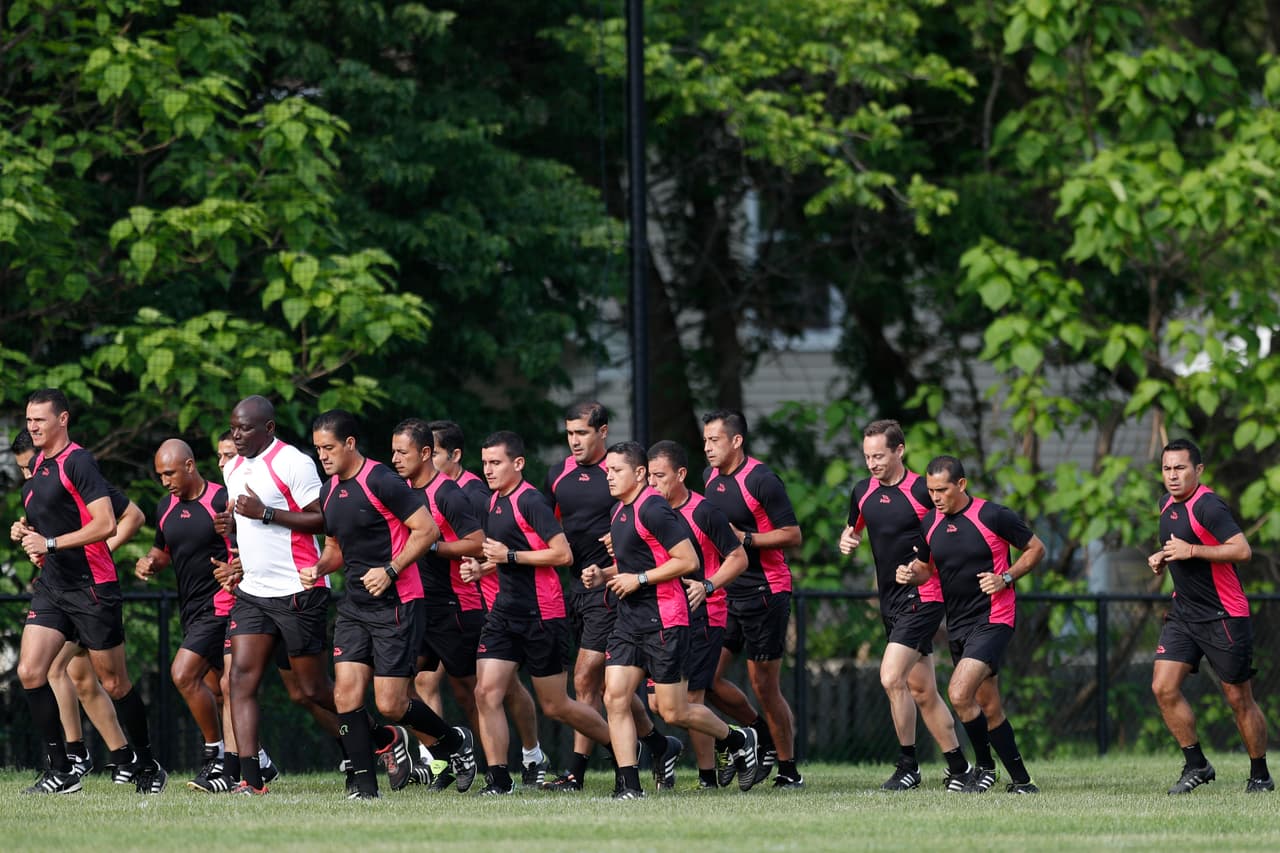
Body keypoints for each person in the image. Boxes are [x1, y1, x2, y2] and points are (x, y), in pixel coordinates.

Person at [302, 410, 475, 800]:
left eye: (328, 448)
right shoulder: (330, 490)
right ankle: (365, 788)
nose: (323, 456)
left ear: (350, 444)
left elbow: (426, 530)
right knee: (345, 695)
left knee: (391, 703)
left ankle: (454, 743)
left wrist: (391, 570)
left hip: (398, 602)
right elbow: (334, 549)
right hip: (355, 605)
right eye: (317, 449)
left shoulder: (381, 480)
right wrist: (318, 568)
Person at [12, 389, 166, 794]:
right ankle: (62, 769)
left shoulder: (78, 462)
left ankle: (146, 764)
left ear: (62, 419)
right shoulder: (36, 474)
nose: (32, 427)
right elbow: (51, 529)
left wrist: (49, 544)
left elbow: (106, 524)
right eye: (29, 420)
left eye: (40, 420)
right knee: (30, 671)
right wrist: (28, 534)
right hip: (53, 587)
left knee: (114, 683)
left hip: (93, 587)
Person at [596, 441, 759, 799]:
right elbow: (636, 562)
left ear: (639, 474)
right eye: (607, 470)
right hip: (629, 621)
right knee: (615, 697)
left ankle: (738, 738)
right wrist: (606, 575)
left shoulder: (653, 508)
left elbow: (687, 561)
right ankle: (629, 785)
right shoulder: (619, 511)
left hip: (665, 619)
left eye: (616, 470)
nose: (608, 476)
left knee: (674, 710)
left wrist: (638, 580)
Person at [465, 430, 616, 796]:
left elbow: (562, 555)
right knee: (485, 692)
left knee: (556, 705)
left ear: (517, 464)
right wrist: (483, 566)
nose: (488, 470)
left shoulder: (531, 500)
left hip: (542, 614)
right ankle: (499, 779)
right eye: (485, 463)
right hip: (505, 612)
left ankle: (626, 746)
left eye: (496, 462)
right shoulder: (492, 503)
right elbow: (502, 552)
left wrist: (509, 557)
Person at [541, 402, 673, 792]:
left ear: (602, 431)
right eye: (569, 434)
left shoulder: (619, 474)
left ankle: (578, 774)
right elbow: (545, 528)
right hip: (576, 588)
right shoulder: (557, 474)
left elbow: (648, 516)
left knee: (585, 679)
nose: (575, 441)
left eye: (582, 433)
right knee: (610, 687)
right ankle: (657, 744)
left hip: (614, 588)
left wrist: (622, 545)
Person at [838, 420, 971, 791]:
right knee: (924, 691)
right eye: (867, 456)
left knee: (890, 677)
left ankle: (907, 766)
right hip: (890, 601)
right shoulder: (862, 491)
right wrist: (847, 540)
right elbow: (854, 528)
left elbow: (953, 527)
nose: (872, 463)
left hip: (925, 597)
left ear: (900, 451)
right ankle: (960, 769)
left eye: (879, 455)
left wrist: (929, 568)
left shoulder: (920, 489)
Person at [219, 395, 341, 795]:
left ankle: (378, 739)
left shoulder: (294, 462)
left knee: (312, 690)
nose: (237, 435)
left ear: (268, 429)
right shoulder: (233, 467)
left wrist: (265, 513)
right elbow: (248, 528)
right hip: (253, 593)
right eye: (234, 427)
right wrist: (232, 526)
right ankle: (250, 780)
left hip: (298, 590)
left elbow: (322, 518)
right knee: (239, 680)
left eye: (245, 428)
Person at [902, 455, 1044, 794]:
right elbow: (925, 569)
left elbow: (1035, 549)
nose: (935, 497)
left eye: (942, 490)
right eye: (931, 490)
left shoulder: (992, 515)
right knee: (989, 705)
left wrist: (1006, 577)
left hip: (995, 618)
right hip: (959, 624)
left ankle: (983, 769)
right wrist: (910, 574)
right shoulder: (930, 523)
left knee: (958, 692)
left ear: (961, 485)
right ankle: (1022, 781)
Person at [1146, 438, 1272, 794]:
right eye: (1167, 469)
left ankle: (1260, 775)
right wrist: (1163, 557)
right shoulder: (1165, 504)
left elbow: (1241, 550)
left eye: (1180, 468)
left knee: (1238, 698)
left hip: (1224, 615)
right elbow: (1180, 545)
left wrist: (1191, 551)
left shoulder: (1209, 506)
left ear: (1198, 470)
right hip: (1184, 614)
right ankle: (1197, 765)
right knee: (1162, 687)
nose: (1173, 476)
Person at [428, 419, 544, 784]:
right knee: (425, 681)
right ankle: (448, 760)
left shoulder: (474, 493)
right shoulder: (426, 488)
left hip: (480, 602)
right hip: (441, 602)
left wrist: (481, 570)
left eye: (434, 454)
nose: (426, 459)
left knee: (502, 688)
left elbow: (497, 550)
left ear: (455, 455)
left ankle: (530, 754)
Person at [390, 418, 502, 789]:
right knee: (397, 690)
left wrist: (432, 546)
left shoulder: (448, 493)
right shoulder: (400, 491)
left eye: (401, 453)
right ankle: (446, 752)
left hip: (457, 605)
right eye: (392, 452)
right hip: (417, 605)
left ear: (425, 454)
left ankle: (494, 770)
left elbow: (476, 542)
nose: (394, 460)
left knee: (470, 693)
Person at [701, 409, 804, 788]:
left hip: (767, 591)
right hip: (727, 592)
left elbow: (792, 535)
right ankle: (756, 732)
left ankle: (789, 770)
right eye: (706, 440)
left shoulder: (761, 480)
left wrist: (745, 538)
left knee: (764, 685)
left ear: (736, 441)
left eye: (715, 440)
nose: (708, 447)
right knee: (706, 678)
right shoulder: (708, 479)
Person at [135, 439, 240, 792]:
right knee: (219, 692)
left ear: (190, 466)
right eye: (160, 475)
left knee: (182, 674)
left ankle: (215, 756)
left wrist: (236, 567)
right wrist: (149, 563)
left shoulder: (221, 500)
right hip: (190, 610)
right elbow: (162, 551)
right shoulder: (166, 506)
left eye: (170, 473)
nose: (164, 481)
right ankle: (257, 762)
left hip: (221, 606)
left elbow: (244, 548)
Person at [647, 440, 752, 790]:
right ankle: (731, 740)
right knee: (658, 704)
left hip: (705, 614)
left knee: (692, 698)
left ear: (680, 474)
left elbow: (738, 558)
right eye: (648, 476)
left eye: (660, 476)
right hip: (661, 616)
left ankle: (708, 778)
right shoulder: (649, 511)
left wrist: (706, 586)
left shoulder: (704, 512)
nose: (653, 483)